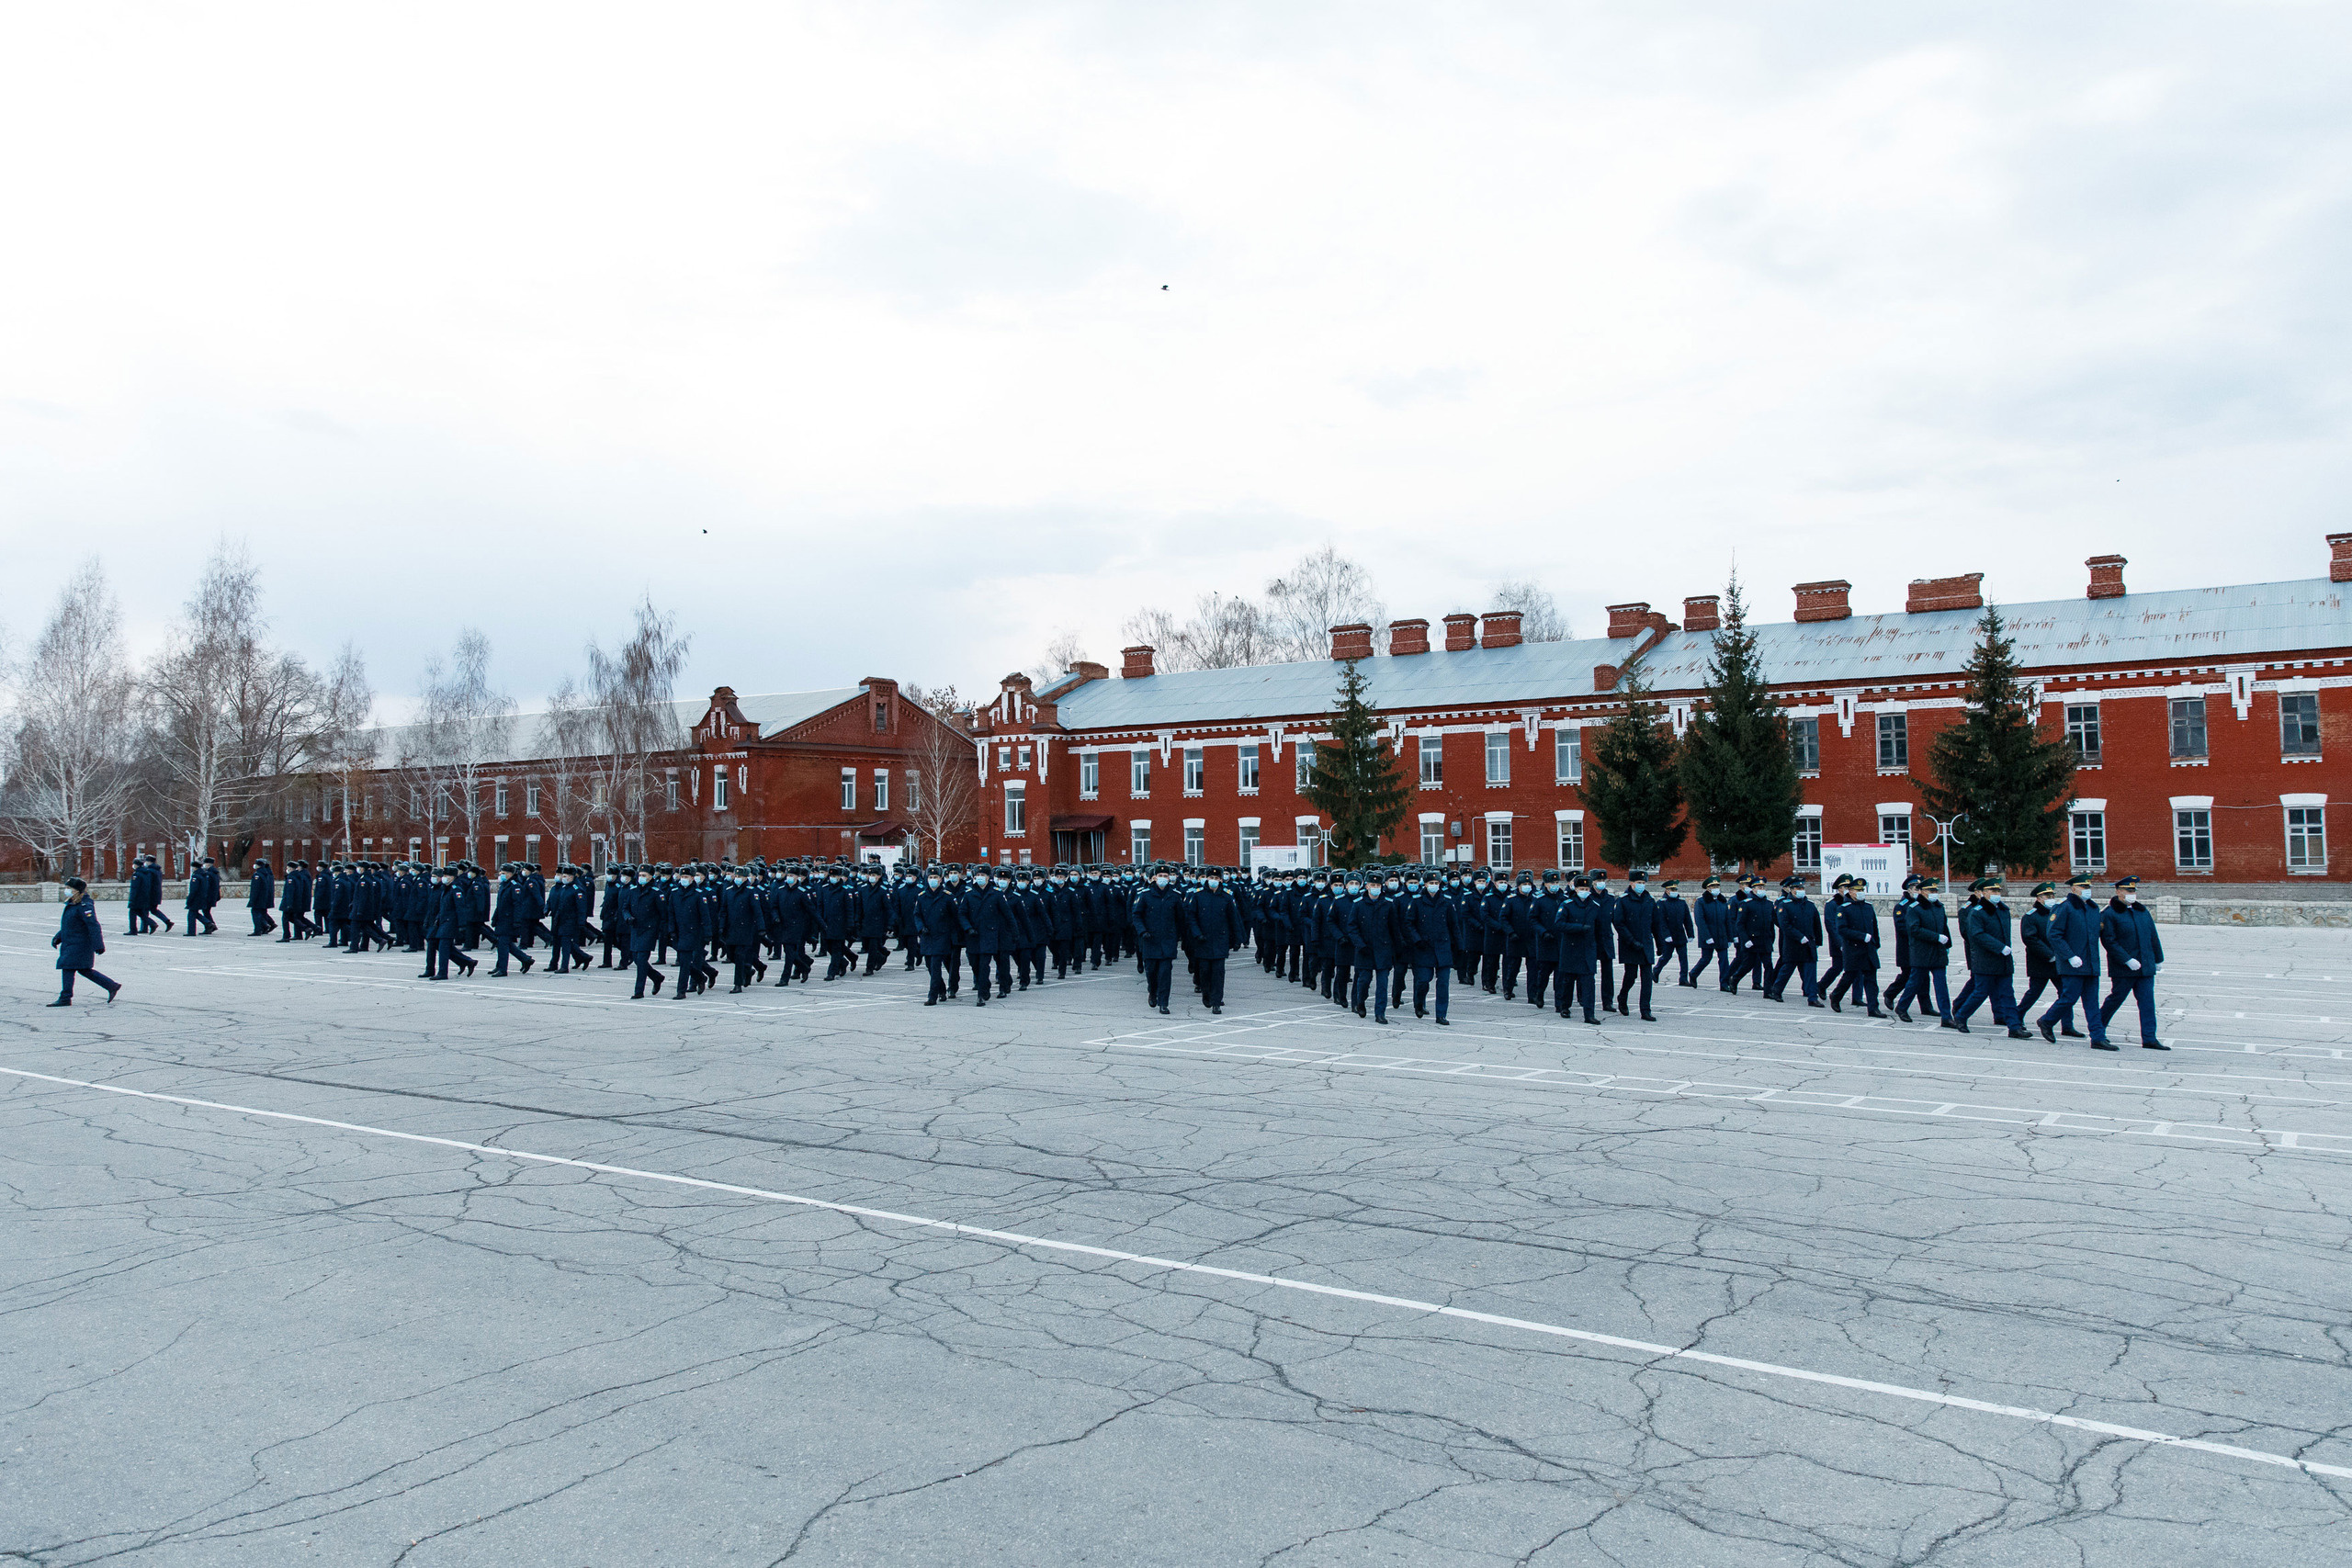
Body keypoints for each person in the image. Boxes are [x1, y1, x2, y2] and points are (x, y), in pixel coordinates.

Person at [2036, 874, 2111, 1049]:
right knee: (2069, 998)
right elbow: (2054, 934)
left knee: (2092, 1002)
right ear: (2073, 888)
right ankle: (2047, 1021)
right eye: (2083, 887)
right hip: (2072, 963)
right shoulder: (2065, 907)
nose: (2087, 890)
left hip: (2090, 963)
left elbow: (2095, 935)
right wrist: (2069, 956)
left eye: (2088, 887)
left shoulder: (2092, 908)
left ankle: (2098, 1037)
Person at [1951, 876, 2030, 1038]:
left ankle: (2014, 1027)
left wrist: (2004, 950)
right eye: (1992, 890)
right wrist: (1999, 947)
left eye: (1998, 890)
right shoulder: (1976, 912)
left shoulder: (2003, 910)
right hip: (1985, 960)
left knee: (2007, 993)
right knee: (1981, 992)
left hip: (2003, 960)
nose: (1996, 893)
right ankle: (1961, 1016)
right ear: (1983, 893)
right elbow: (1977, 935)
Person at [2097, 874, 2167, 1049]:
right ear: (2118, 891)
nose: (2132, 893)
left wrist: (2158, 958)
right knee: (2116, 999)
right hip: (2123, 968)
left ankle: (2149, 1038)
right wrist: (2126, 959)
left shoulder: (2141, 911)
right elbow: (2109, 941)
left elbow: (2152, 935)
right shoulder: (2109, 913)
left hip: (2145, 966)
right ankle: (2097, 1030)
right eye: (2128, 890)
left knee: (2147, 1003)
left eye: (2133, 890)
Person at [49, 879, 120, 1006]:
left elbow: (93, 925)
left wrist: (98, 944)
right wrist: (58, 937)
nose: (66, 890)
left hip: (80, 944)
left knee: (68, 967)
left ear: (77, 890)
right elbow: (70, 925)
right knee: (83, 969)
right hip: (71, 942)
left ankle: (65, 998)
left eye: (69, 888)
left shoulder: (84, 905)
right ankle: (111, 986)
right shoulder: (72, 904)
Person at [1185, 869, 1247, 1014]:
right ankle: (1206, 994)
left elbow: (1234, 919)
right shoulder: (1198, 896)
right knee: (1205, 971)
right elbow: (1191, 917)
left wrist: (1238, 938)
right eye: (1211, 877)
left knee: (1218, 973)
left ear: (1220, 880)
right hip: (1203, 940)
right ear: (1207, 878)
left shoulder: (1226, 897)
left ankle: (1217, 1001)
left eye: (1216, 878)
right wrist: (1197, 934)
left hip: (1220, 940)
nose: (1213, 880)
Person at [1893, 878, 1952, 1023]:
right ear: (1921, 891)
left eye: (1935, 890)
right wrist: (1936, 937)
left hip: (1938, 952)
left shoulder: (1939, 907)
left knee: (1941, 986)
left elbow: (1944, 927)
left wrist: (1947, 944)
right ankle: (1902, 1007)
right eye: (1930, 890)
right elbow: (1914, 929)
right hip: (1922, 952)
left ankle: (1947, 1017)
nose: (1933, 893)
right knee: (1914, 983)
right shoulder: (1914, 908)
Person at [1766, 875, 1822, 1004]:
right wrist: (1799, 936)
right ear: (1791, 890)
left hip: (1808, 944)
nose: (1800, 890)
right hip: (1793, 944)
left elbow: (1816, 924)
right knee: (1787, 970)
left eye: (1802, 888)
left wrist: (1818, 941)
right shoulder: (1785, 905)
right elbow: (1785, 925)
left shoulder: (1810, 905)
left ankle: (1812, 997)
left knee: (1810, 971)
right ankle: (1777, 991)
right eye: (1797, 888)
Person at [247, 858, 277, 936]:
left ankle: (258, 929)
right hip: (264, 897)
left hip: (258, 898)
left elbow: (255, 889)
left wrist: (252, 900)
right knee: (262, 912)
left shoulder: (257, 875)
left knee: (255, 912)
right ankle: (264, 926)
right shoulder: (266, 874)